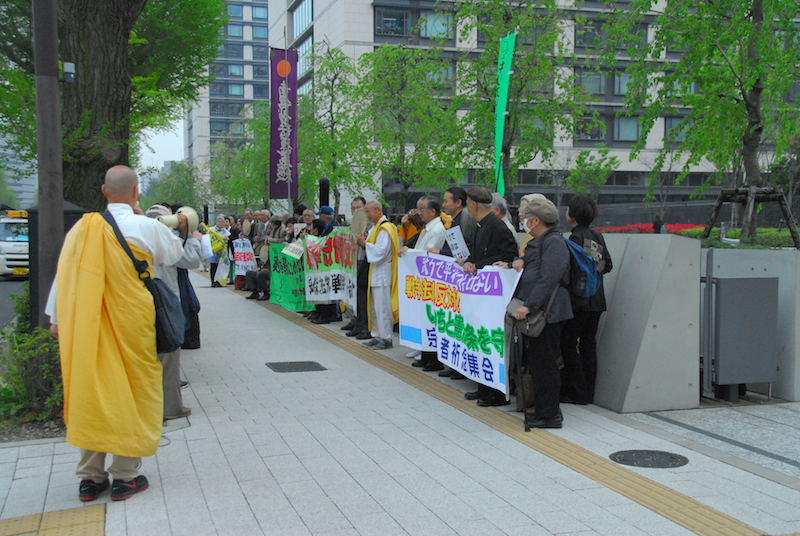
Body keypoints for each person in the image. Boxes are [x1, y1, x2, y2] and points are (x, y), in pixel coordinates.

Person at [46, 166, 185, 502]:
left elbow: (65, 275)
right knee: (135, 389)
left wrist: (56, 318)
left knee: (93, 389)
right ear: (136, 192)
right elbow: (175, 255)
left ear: (104, 191)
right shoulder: (146, 226)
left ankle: (90, 478)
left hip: (88, 325)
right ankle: (125, 475)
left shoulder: (82, 229)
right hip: (132, 323)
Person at [510, 197, 573, 428]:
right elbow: (532, 265)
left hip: (548, 313)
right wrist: (517, 261)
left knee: (546, 364)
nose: (523, 221)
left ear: (536, 220)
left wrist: (529, 306)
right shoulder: (540, 241)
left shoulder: (553, 243)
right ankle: (544, 410)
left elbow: (548, 279)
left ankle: (549, 415)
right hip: (541, 312)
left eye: (526, 217)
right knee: (539, 363)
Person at [460, 187, 518, 406]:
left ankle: (496, 392)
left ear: (473, 204)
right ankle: (483, 386)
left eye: (467, 203)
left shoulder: (497, 226)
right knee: (479, 338)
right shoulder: (480, 225)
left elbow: (508, 255)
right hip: (482, 293)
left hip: (494, 296)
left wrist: (478, 265)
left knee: (492, 340)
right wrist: (468, 262)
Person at [144, 204, 203, 420]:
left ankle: (146, 404)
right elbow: (192, 260)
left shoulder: (133, 235)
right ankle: (171, 407)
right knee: (168, 354)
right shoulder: (167, 238)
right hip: (166, 301)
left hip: (138, 301)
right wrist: (189, 235)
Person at [560, 195, 613, 405]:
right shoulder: (597, 237)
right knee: (589, 345)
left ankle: (577, 391)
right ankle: (588, 391)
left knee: (568, 343)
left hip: (579, 300)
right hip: (597, 298)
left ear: (571, 215)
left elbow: (571, 269)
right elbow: (606, 265)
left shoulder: (574, 239)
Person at [399, 196, 447, 370]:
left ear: (432, 211)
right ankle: (425, 355)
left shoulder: (437, 229)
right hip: (422, 282)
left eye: (421, 209)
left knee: (431, 320)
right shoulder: (427, 228)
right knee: (424, 318)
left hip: (431, 281)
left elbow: (428, 256)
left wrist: (409, 251)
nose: (418, 213)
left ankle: (433, 359)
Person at [357, 201, 399, 350]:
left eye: (368, 212)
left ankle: (386, 337)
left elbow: (381, 252)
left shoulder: (385, 228)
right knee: (374, 306)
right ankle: (377, 334)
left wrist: (364, 244)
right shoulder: (376, 228)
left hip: (383, 273)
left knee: (383, 307)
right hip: (375, 272)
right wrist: (364, 243)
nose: (367, 216)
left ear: (378, 210)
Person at [342, 197, 372, 338]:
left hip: (365, 263)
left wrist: (362, 242)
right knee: (354, 295)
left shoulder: (371, 226)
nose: (355, 211)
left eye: (358, 208)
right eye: (353, 208)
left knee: (363, 297)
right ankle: (356, 321)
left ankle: (364, 325)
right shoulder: (350, 226)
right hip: (352, 263)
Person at [208, 214, 230, 287]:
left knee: (219, 266)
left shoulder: (226, 232)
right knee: (213, 266)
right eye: (219, 221)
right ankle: (213, 281)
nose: (220, 223)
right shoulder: (211, 230)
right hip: (214, 251)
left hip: (222, 251)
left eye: (222, 222)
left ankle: (218, 281)